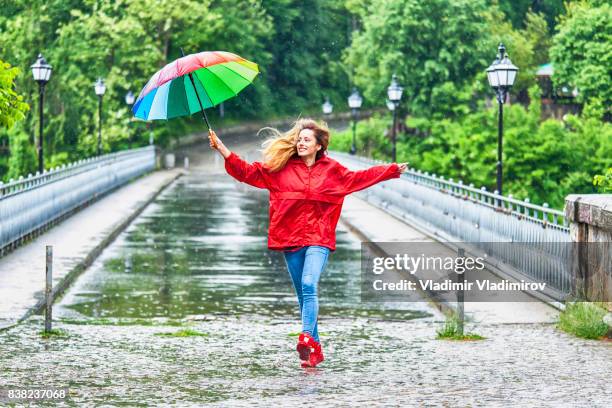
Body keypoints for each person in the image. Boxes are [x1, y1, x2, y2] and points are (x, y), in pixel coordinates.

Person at [208, 118, 408, 368]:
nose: (301, 143)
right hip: (290, 239)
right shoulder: (280, 168)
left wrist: (390, 170)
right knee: (304, 298)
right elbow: (248, 172)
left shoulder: (332, 171)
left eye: (306, 140)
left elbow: (359, 177)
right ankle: (314, 349)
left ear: (318, 146)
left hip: (319, 238)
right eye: (299, 139)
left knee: (308, 283)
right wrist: (221, 148)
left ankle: (305, 337)